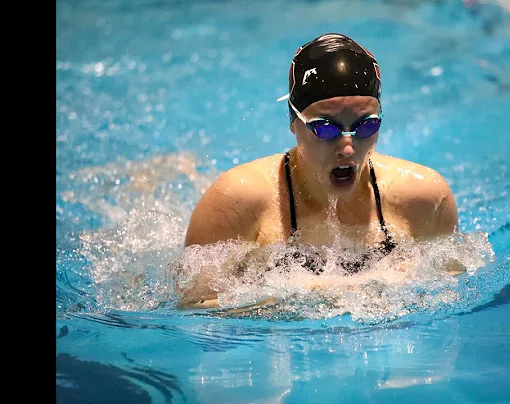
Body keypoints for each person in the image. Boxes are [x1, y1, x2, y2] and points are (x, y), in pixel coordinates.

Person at [178, 33, 461, 310]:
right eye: (326, 128)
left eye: (367, 126)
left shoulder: (424, 197)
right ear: (293, 121)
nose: (348, 149)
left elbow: (453, 292)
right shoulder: (237, 201)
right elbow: (193, 308)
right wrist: (291, 300)